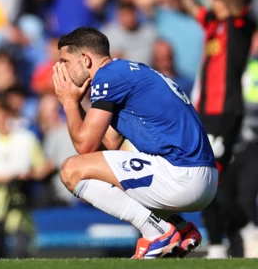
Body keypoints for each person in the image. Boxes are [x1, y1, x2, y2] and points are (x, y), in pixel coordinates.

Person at [52, 27, 217, 259]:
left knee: (71, 170)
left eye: (65, 61)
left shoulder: (108, 76)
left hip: (182, 175)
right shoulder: (127, 72)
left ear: (85, 59)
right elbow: (105, 148)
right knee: (91, 168)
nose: (61, 70)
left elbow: (84, 148)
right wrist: (76, 104)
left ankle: (157, 232)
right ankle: (178, 227)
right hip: (201, 177)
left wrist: (69, 103)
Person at [150, 0, 255, 258]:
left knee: (210, 175)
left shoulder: (240, 24)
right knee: (208, 178)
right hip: (204, 112)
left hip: (226, 111)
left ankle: (221, 243)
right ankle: (235, 231)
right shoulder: (213, 25)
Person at [0, 96, 48, 258]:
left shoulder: (27, 138)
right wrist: (5, 179)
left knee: (21, 249)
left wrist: (28, 175)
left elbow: (41, 167)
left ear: (6, 114)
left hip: (21, 202)